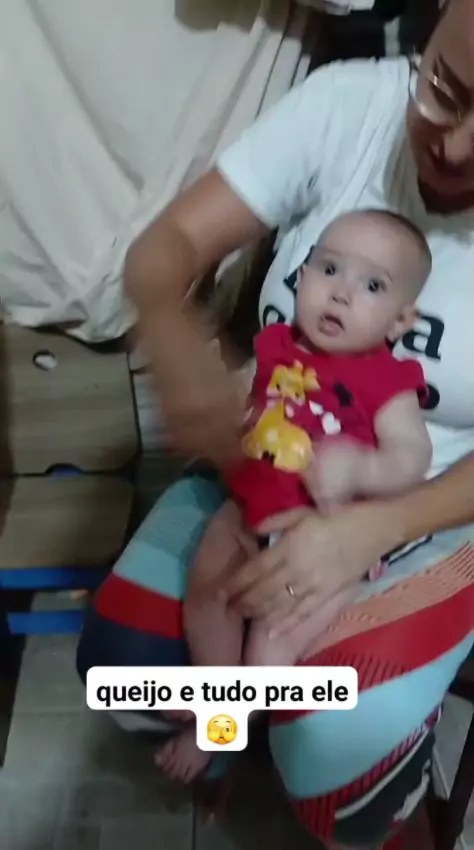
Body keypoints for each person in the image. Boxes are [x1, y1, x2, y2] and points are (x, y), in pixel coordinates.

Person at [77, 0, 474, 846]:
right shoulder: (351, 105)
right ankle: (232, 728)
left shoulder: (389, 380)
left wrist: (370, 520)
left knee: (333, 750)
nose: (456, 145)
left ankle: (344, 779)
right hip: (256, 486)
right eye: (446, 88)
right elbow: (166, 248)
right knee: (124, 664)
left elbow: (401, 454)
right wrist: (176, 340)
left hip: (432, 510)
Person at [156, 208, 433, 783]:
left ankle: (228, 722)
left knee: (272, 644)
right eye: (328, 269)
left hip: (324, 539)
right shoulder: (278, 344)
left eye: (372, 286)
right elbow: (253, 402)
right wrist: (224, 413)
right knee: (206, 591)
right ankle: (219, 697)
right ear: (300, 278)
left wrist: (362, 466)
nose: (341, 293)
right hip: (246, 511)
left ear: (400, 321)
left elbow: (413, 457)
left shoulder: (388, 380)